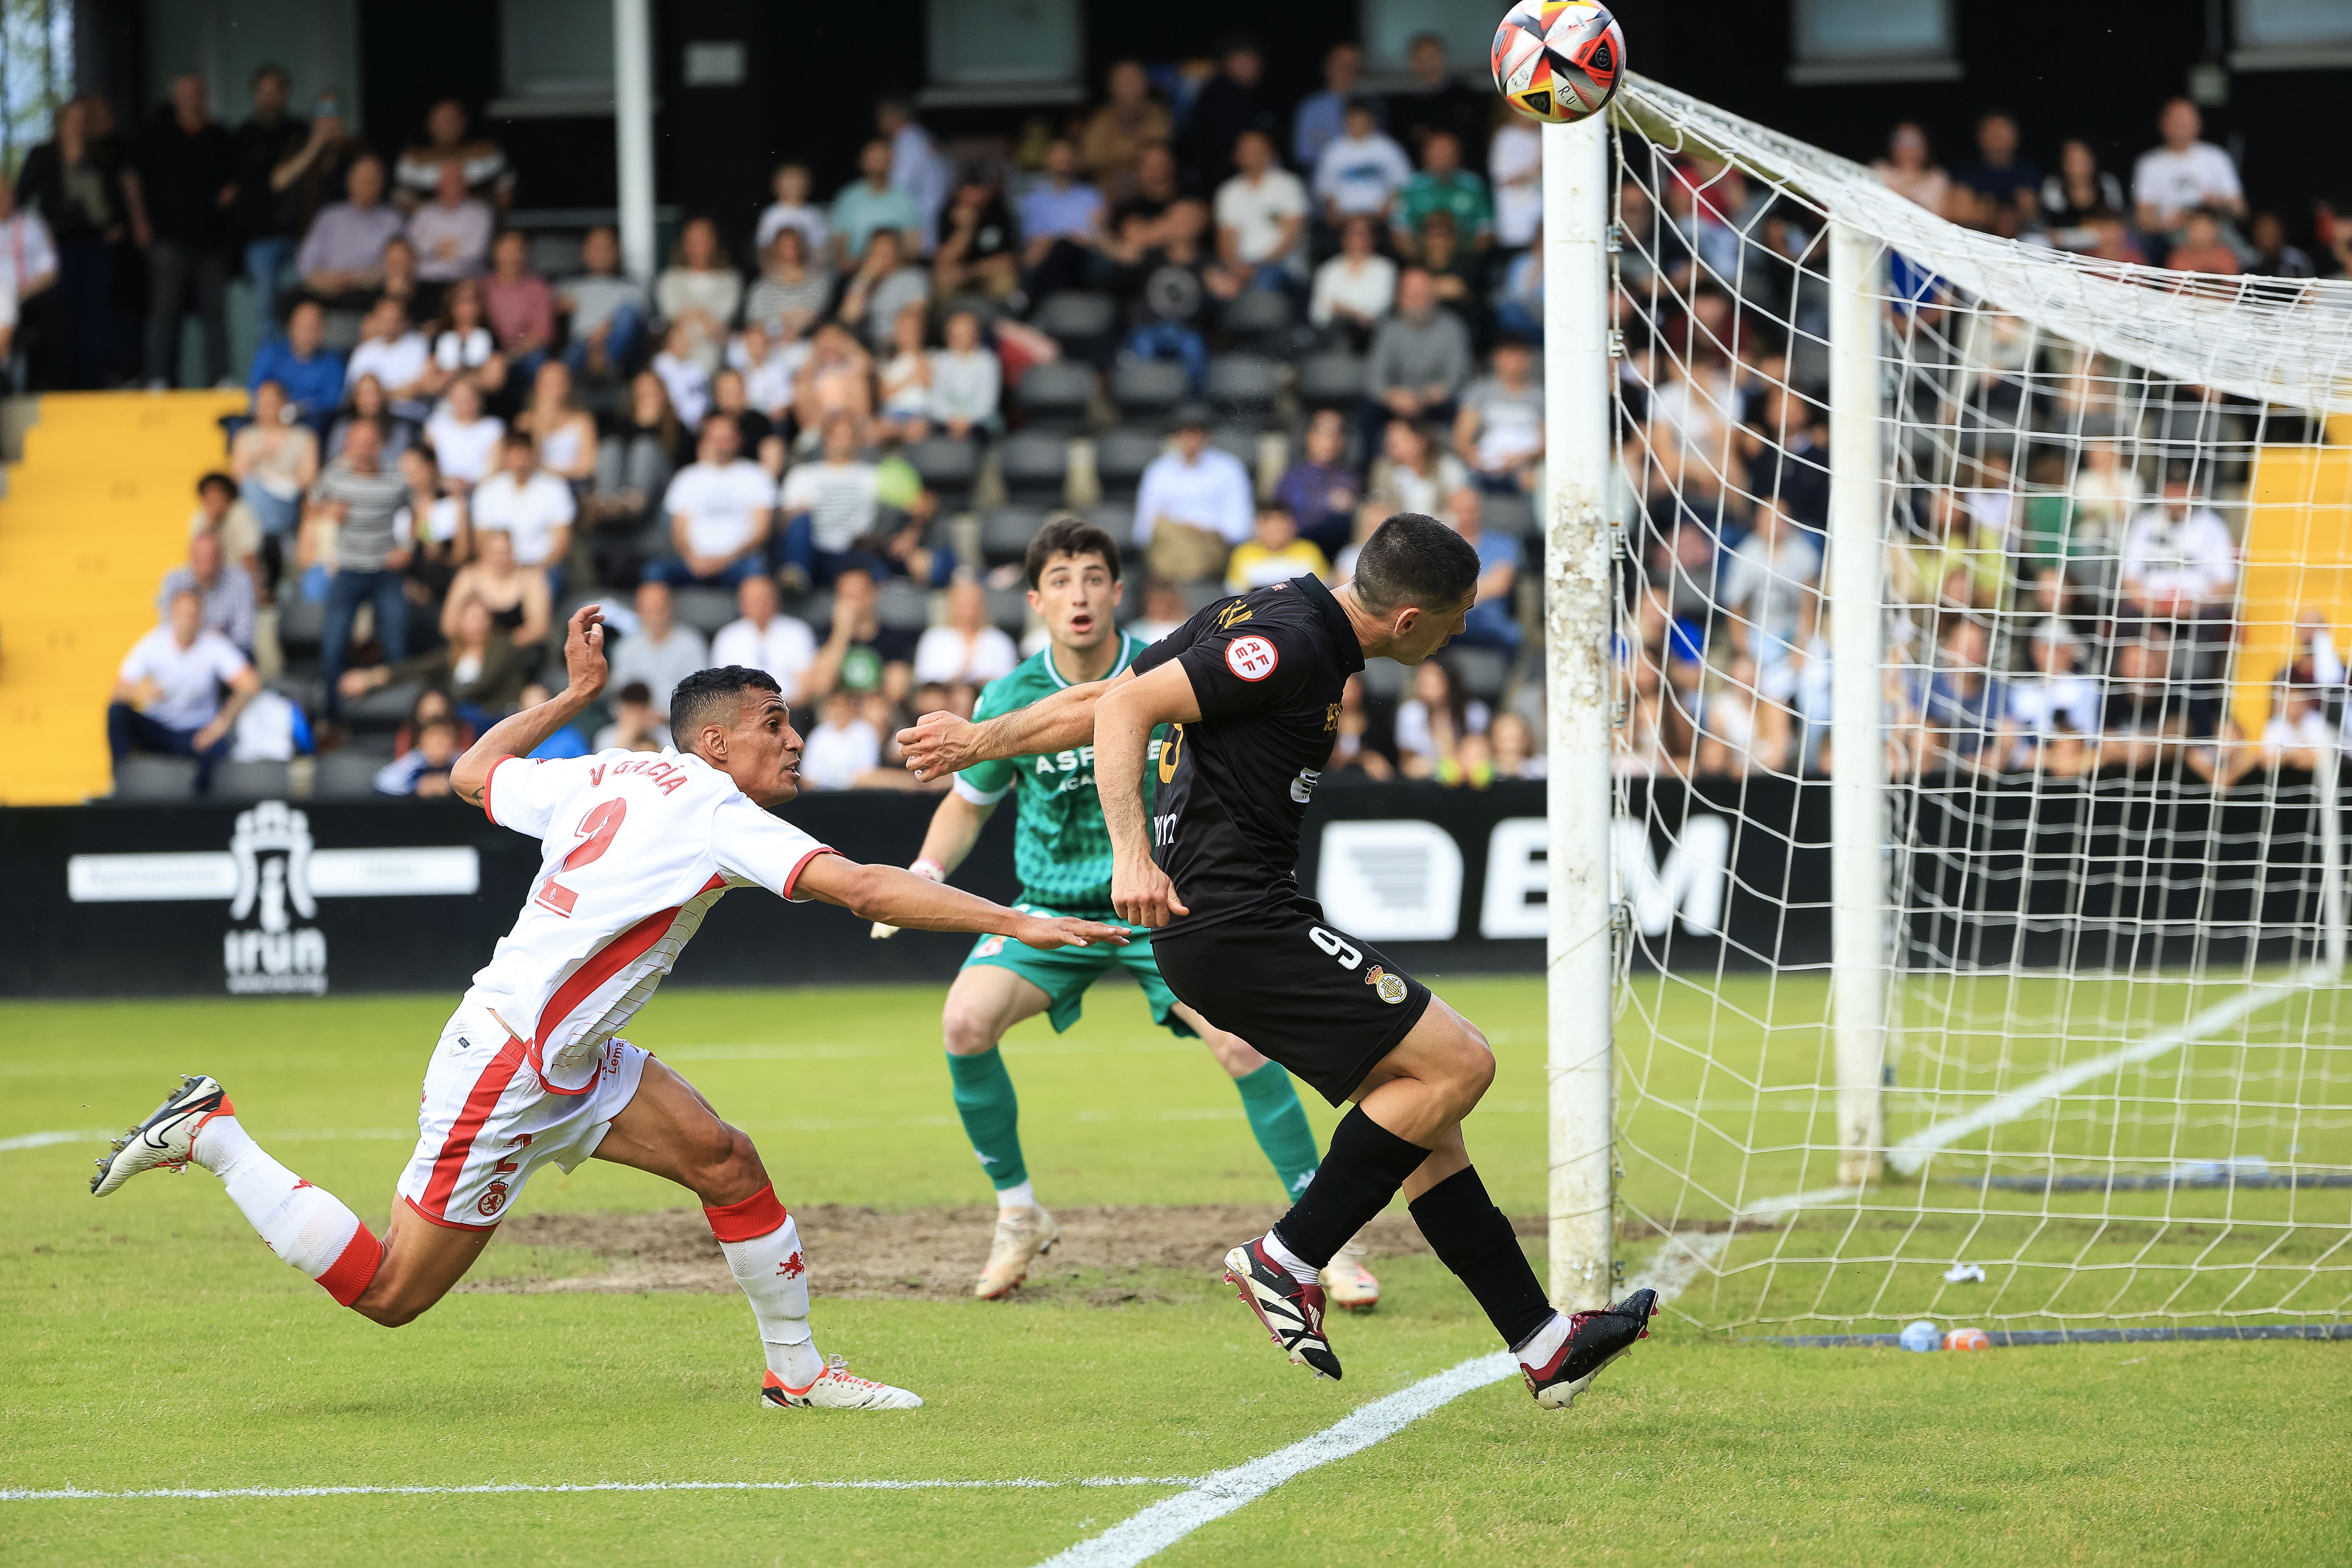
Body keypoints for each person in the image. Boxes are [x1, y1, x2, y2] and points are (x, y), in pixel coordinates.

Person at [92, 621, 1127, 1412]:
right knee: (394, 1292)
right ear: (716, 743)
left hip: (572, 1056)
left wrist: (573, 694)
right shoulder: (717, 808)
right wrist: (1017, 918)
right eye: (776, 724)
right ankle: (217, 1135)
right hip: (508, 1065)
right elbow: (860, 889)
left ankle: (800, 1377)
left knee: (728, 1161)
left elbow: (469, 774)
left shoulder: (607, 771)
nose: (794, 737)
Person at [897, 511, 1658, 1398]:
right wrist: (1131, 854)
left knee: (1418, 1114)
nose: (1457, 637)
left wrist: (983, 737)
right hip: (1231, 920)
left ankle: (1542, 1344)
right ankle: (1286, 1256)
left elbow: (1102, 694)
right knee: (1462, 1063)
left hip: (1232, 919)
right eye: (1454, 621)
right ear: (1409, 620)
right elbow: (1127, 705)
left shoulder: (1270, 609)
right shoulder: (1289, 646)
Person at [878, 520, 1354, 1299]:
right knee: (964, 1024)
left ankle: (1320, 1237)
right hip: (1050, 911)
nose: (1080, 593)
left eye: (1094, 576)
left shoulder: (1167, 666)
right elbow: (968, 806)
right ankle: (1019, 1212)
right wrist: (923, 873)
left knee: (1241, 1045)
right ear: (1035, 600)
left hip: (1160, 904)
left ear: (1117, 591)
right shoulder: (1008, 696)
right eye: (1062, 579)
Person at [17, 97, 132, 388]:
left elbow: (117, 195)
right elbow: (20, 199)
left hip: (95, 246)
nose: (78, 126)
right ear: (61, 124)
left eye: (83, 121)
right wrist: (37, 237)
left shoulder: (100, 155)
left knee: (97, 315)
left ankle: (96, 382)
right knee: (63, 317)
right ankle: (64, 384)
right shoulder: (44, 156)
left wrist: (117, 225)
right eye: (73, 120)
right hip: (58, 248)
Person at [308, 417, 412, 724]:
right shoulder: (334, 476)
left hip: (385, 570)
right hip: (349, 568)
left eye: (369, 443)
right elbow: (311, 506)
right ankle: (333, 720)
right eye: (357, 442)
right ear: (348, 445)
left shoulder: (396, 479)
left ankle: (401, 719)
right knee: (334, 646)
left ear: (380, 445)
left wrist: (407, 548)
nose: (363, 449)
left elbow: (416, 514)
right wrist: (329, 511)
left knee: (396, 641)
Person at [108, 588, 261, 793]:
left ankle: (202, 806)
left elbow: (250, 684)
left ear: (201, 617)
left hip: (197, 733)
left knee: (219, 748)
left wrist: (220, 725)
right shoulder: (153, 643)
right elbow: (118, 690)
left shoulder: (214, 645)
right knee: (117, 712)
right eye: (184, 614)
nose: (188, 621)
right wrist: (140, 693)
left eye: (194, 615)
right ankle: (122, 784)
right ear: (172, 615)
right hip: (158, 728)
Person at [138, 73, 235, 389]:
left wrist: (229, 192)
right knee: (164, 312)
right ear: (175, 97)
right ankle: (156, 377)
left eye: (198, 92)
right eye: (186, 93)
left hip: (210, 241)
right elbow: (133, 178)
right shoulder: (158, 134)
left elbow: (235, 178)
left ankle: (220, 377)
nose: (193, 98)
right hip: (168, 239)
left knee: (215, 314)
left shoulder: (218, 135)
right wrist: (141, 222)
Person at [343, 592, 531, 724]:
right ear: (461, 622)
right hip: (461, 719)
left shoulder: (502, 645)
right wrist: (371, 678)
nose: (478, 625)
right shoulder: (454, 653)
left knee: (436, 702)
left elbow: (484, 683)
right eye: (472, 619)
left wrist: (444, 697)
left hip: (497, 716)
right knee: (429, 704)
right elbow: (418, 667)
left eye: (483, 619)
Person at [1134, 406, 1254, 584]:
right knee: (1167, 535)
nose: (1191, 439)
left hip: (1210, 544)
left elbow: (1240, 528)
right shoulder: (1158, 471)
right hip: (1169, 543)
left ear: (1208, 435)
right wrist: (1182, 529)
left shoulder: (1229, 468)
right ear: (1175, 436)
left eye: (1196, 432)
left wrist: (1201, 530)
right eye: (1184, 432)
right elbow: (1142, 531)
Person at [655, 413, 775, 589]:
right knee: (654, 573)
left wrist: (726, 560)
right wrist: (693, 559)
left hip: (739, 562)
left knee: (757, 570)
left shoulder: (756, 475)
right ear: (705, 440)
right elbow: (679, 532)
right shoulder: (687, 478)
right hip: (694, 563)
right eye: (717, 438)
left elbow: (761, 532)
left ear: (739, 439)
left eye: (727, 437)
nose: (722, 444)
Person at [1365, 268, 1472, 449]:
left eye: (1424, 294)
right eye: (1413, 295)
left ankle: (1453, 467)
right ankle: (1369, 470)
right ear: (1400, 298)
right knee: (1369, 408)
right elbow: (1375, 377)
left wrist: (1427, 397)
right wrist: (1392, 397)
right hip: (1396, 402)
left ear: (1434, 296)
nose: (1419, 301)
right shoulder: (1388, 330)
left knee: (1461, 407)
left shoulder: (1454, 328)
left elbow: (1457, 376)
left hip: (1436, 402)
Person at [778, 412, 881, 584]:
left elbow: (914, 504)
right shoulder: (802, 475)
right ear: (826, 439)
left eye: (847, 436)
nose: (842, 442)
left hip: (855, 551)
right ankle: (796, 576)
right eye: (837, 436)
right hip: (814, 551)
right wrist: (794, 514)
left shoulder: (873, 475)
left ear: (856, 440)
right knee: (800, 521)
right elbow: (782, 522)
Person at [231, 379, 319, 579]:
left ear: (284, 403)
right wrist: (258, 457)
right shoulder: (244, 437)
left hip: (289, 504)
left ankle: (262, 549)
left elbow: (309, 479)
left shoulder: (304, 437)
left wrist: (271, 475)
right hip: (254, 507)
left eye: (273, 402)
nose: (267, 407)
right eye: (262, 402)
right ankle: (265, 549)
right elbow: (237, 478)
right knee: (251, 490)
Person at [2133, 98, 2245, 242]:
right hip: (2171, 235)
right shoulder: (2149, 164)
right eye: (2175, 119)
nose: (2180, 124)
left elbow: (2241, 210)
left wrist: (2219, 203)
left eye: (2186, 119)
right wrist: (2175, 222)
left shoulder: (2217, 157)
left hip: (2215, 230)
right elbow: (2144, 219)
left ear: (2198, 123)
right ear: (2162, 124)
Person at [470, 430, 576, 581]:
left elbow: (561, 545)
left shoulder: (556, 488)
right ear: (505, 455)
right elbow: (481, 542)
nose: (519, 459)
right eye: (514, 452)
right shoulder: (487, 490)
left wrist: (531, 574)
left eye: (524, 452)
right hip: (498, 570)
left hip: (541, 570)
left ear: (534, 454)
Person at [294, 154, 403, 301]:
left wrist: (356, 279)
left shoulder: (393, 220)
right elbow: (306, 264)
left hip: (372, 293)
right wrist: (328, 280)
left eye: (373, 179)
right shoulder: (329, 216)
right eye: (362, 178)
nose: (366, 183)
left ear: (382, 184)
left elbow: (400, 266)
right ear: (349, 181)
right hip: (327, 292)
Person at [1179, 39, 1278, 196]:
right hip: (1219, 182)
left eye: (1257, 62)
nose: (1254, 67)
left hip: (1246, 180)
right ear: (1230, 61)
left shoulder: (1254, 94)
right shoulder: (1217, 94)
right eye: (1247, 61)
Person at [1213, 130, 1307, 290]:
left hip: (1283, 266)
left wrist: (1257, 266)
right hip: (1240, 268)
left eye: (1257, 150)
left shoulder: (1288, 185)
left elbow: (1291, 237)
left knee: (1262, 284)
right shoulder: (1228, 192)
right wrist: (1235, 267)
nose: (1252, 155)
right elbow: (1226, 240)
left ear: (1270, 152)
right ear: (1236, 156)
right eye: (1246, 150)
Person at [1388, 33, 1490, 174]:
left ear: (1442, 57)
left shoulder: (1467, 96)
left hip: (1466, 180)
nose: (1428, 64)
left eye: (1432, 57)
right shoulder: (1400, 106)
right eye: (1422, 59)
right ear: (1413, 62)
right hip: (1421, 183)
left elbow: (1479, 138)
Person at [607, 580, 708, 719]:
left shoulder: (691, 643)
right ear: (638, 611)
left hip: (677, 725)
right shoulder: (625, 647)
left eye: (661, 608)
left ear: (672, 607)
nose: (656, 615)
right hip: (635, 723)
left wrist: (660, 716)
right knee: (606, 739)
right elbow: (619, 698)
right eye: (651, 609)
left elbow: (699, 696)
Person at [1453, 339, 1543, 494]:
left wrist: (1523, 459)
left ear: (1528, 360)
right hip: (1484, 463)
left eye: (1518, 357)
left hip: (1525, 467)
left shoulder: (1541, 396)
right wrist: (1474, 457)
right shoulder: (1480, 391)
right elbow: (1462, 437)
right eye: (1507, 357)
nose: (1513, 364)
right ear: (1496, 359)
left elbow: (1546, 441)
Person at [557, 225, 647, 379]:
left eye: (606, 248)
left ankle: (609, 369)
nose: (601, 254)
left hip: (617, 352)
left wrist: (599, 342)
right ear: (585, 253)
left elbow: (634, 323)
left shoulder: (632, 287)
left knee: (627, 313)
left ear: (617, 252)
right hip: (581, 348)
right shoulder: (569, 285)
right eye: (595, 248)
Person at [1018, 138, 1105, 298]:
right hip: (1048, 261)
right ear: (1047, 161)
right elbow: (1034, 243)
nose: (1062, 163)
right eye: (1057, 158)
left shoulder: (1091, 195)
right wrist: (1064, 238)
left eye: (1066, 157)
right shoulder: (1033, 200)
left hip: (1083, 259)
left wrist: (1071, 239)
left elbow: (1097, 235)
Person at [711, 573, 818, 702]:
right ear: (742, 604)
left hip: (789, 708)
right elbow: (720, 689)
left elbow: (806, 689)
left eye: (765, 599)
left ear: (777, 600)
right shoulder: (727, 637)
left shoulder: (798, 632)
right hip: (742, 711)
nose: (760, 606)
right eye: (753, 601)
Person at [1273, 407, 1363, 561]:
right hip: (1300, 550)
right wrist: (1328, 503)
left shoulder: (1349, 476)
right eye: (1326, 433)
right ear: (1310, 436)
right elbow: (1290, 512)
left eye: (1338, 433)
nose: (1332, 440)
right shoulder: (1293, 475)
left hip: (1341, 553)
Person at [655, 216, 742, 374]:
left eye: (705, 237)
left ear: (715, 241)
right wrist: (704, 317)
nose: (700, 244)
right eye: (694, 238)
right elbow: (672, 316)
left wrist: (690, 316)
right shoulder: (669, 280)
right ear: (684, 243)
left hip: (715, 350)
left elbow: (720, 322)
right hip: (678, 349)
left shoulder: (731, 280)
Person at [1312, 99, 1413, 230]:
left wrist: (1383, 213)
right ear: (1345, 121)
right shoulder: (1332, 151)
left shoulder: (1389, 148)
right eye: (1354, 119)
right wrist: (1337, 215)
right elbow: (1325, 190)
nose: (1358, 123)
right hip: (1345, 220)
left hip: (1382, 219)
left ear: (1372, 120)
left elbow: (1402, 184)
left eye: (1362, 118)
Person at [1441, 488, 1521, 653]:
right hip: (1445, 627)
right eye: (1460, 511)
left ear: (1481, 511)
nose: (1466, 516)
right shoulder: (1439, 549)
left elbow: (1500, 584)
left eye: (1471, 510)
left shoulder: (1503, 544)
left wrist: (1449, 601)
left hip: (1489, 627)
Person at [1078, 61, 1172, 200]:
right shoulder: (1102, 118)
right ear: (1112, 87)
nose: (1129, 89)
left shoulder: (1157, 113)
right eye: (1123, 82)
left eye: (1134, 81)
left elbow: (1156, 147)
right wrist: (1135, 150)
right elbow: (1090, 157)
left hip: (1148, 197)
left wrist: (1113, 150)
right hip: (1108, 197)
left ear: (1145, 84)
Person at [394, 99, 512, 210]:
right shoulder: (412, 159)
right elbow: (403, 200)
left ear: (465, 122)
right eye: (441, 121)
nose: (448, 126)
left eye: (453, 120)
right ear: (429, 124)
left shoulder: (488, 152)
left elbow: (505, 190)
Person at [1392, 132, 1493, 262]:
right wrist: (1423, 264)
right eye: (1438, 151)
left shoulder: (1474, 186)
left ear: (1459, 155)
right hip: (1421, 262)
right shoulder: (1410, 187)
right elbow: (1400, 232)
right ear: (1426, 154)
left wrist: (1464, 265)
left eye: (1449, 152)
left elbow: (1486, 231)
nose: (1444, 157)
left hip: (1466, 262)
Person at [248, 299, 346, 431]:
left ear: (323, 331)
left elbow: (331, 402)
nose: (307, 335)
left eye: (314, 328)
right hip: (268, 417)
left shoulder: (332, 362)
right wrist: (277, 409)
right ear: (291, 326)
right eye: (303, 327)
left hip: (308, 425)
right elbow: (256, 390)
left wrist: (297, 409)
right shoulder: (271, 353)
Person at [158, 528, 257, 656]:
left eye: (210, 559)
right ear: (190, 557)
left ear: (221, 557)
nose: (206, 567)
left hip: (228, 656)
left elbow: (244, 637)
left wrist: (209, 647)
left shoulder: (240, 582)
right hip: (184, 655)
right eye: (200, 558)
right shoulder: (173, 582)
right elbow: (167, 630)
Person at [1311, 214, 1400, 352]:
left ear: (1373, 238)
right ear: (1344, 238)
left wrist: (1345, 310)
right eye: (1353, 234)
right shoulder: (1328, 270)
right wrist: (1355, 314)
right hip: (1333, 337)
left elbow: (1380, 311)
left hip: (1372, 340)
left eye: (1364, 234)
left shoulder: (1386, 269)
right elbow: (1318, 314)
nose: (1358, 239)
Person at [829, 138, 920, 270]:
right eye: (873, 158)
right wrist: (850, 266)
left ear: (892, 162)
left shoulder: (905, 199)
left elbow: (913, 244)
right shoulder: (848, 197)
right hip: (856, 269)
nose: (877, 163)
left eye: (882, 158)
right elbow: (838, 243)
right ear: (862, 162)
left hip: (895, 270)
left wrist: (891, 266)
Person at [876, 96, 950, 256]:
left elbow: (899, 187)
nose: (878, 122)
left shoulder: (907, 143)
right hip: (933, 219)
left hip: (919, 225)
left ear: (893, 117)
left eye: (881, 116)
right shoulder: (922, 137)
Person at [930, 165, 1018, 299]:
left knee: (1005, 282)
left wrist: (968, 273)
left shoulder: (1001, 212)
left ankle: (1001, 318)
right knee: (943, 280)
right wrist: (965, 230)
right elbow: (942, 263)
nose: (976, 196)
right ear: (959, 191)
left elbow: (1009, 261)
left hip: (983, 274)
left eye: (981, 189)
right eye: (970, 189)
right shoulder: (948, 211)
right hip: (958, 276)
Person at [1949, 109, 2039, 239]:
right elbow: (1960, 214)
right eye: (1992, 131)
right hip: (1976, 240)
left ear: (2016, 137)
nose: (1997, 137)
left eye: (2003, 132)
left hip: (2020, 242)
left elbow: (2029, 214)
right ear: (1979, 136)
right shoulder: (1965, 172)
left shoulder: (2027, 172)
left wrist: (1984, 207)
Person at [912, 578, 1018, 688]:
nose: (969, 610)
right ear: (952, 604)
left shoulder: (1000, 641)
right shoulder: (934, 639)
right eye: (963, 604)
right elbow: (925, 684)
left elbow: (1008, 685)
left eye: (974, 603)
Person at [838, 228, 928, 351]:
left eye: (886, 247)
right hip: (865, 344)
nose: (882, 253)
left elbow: (914, 318)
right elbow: (848, 317)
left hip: (896, 345)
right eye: (877, 248)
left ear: (897, 250)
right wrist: (866, 278)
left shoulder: (912, 277)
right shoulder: (863, 279)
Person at [343, 296, 431, 417]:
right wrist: (397, 393)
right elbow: (354, 392)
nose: (391, 324)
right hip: (370, 417)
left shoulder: (420, 345)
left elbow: (422, 387)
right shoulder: (363, 351)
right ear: (376, 319)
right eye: (386, 318)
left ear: (405, 320)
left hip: (409, 416)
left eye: (395, 319)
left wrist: (377, 396)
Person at [483, 229, 555, 377]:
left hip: (523, 354)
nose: (512, 257)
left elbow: (542, 332)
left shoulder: (537, 287)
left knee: (537, 358)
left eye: (518, 250)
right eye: (507, 250)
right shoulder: (482, 287)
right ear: (495, 252)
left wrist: (511, 356)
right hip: (489, 353)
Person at [407, 162, 492, 285]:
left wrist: (437, 250)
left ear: (465, 183)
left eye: (457, 180)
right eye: (447, 181)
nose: (452, 186)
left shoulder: (481, 212)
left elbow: (475, 251)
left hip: (468, 281)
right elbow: (416, 248)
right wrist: (455, 246)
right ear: (438, 184)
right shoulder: (423, 213)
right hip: (427, 280)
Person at [743, 226, 831, 342]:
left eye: (794, 245)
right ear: (775, 249)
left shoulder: (819, 282)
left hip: (808, 344)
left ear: (802, 247)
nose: (790, 250)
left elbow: (815, 314)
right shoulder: (761, 287)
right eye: (785, 246)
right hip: (771, 347)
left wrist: (791, 325)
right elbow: (755, 323)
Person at [1293, 43, 1370, 174]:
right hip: (1324, 176)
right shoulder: (1311, 107)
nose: (1348, 69)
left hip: (1366, 174)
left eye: (1353, 63)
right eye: (1342, 63)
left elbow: (1378, 145)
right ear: (1327, 67)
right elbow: (1303, 153)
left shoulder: (1371, 102)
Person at [188, 470, 265, 598]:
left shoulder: (241, 514)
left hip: (240, 579)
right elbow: (197, 556)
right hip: (211, 579)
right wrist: (210, 525)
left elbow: (250, 557)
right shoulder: (200, 517)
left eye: (217, 495)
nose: (213, 500)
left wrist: (252, 592)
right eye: (209, 496)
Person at [1226, 502, 1331, 593]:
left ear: (1293, 526)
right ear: (1258, 528)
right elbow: (1236, 593)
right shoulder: (1244, 554)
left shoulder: (1310, 551)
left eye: (1281, 527)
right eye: (1272, 529)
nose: (1277, 534)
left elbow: (1324, 589)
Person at [927, 309, 1000, 439]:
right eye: (955, 334)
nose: (960, 338)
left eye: (965, 334)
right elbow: (935, 398)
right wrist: (952, 419)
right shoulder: (939, 361)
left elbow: (987, 402)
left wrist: (967, 421)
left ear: (976, 334)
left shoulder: (988, 362)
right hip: (945, 423)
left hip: (979, 423)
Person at [422, 377, 503, 490]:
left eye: (470, 399)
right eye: (460, 400)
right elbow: (428, 464)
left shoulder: (493, 428)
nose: (465, 405)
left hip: (482, 490)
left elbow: (496, 467)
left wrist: (472, 486)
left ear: (480, 399)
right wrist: (446, 483)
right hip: (441, 490)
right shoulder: (436, 426)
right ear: (450, 399)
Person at [1872, 122, 1951, 217]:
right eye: (1900, 140)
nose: (1907, 148)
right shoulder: (1880, 169)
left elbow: (1944, 217)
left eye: (1914, 141)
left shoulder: (1938, 177)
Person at [754, 162, 828, 258]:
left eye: (800, 182)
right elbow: (763, 247)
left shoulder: (814, 214)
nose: (795, 186)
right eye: (790, 182)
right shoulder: (770, 214)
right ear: (776, 185)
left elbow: (820, 247)